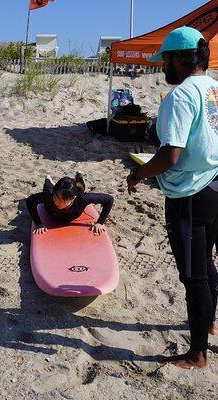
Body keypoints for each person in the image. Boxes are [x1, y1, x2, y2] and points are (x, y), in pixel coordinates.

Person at [126, 27, 218, 369]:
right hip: (214, 185)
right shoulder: (214, 88)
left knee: (193, 275)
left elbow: (171, 156)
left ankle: (197, 354)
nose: (162, 66)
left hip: (188, 194)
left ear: (181, 58)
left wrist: (137, 174)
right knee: (207, 263)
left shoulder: (180, 96)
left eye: (165, 59)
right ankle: (208, 323)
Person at [26, 172, 113, 235]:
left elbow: (109, 199)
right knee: (47, 189)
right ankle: (48, 179)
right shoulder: (49, 196)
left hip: (75, 193)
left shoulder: (82, 199)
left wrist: (100, 223)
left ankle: (79, 175)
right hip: (51, 199)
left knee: (81, 187)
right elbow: (30, 201)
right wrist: (38, 224)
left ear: (73, 199)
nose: (56, 202)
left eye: (61, 200)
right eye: (55, 198)